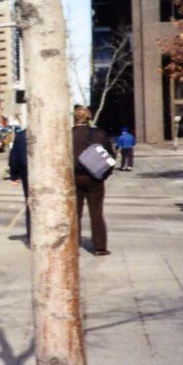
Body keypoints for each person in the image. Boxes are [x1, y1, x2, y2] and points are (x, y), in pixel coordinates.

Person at [72, 106, 114, 255]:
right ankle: (99, 247)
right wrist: (103, 175)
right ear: (89, 118)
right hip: (94, 178)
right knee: (96, 213)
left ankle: (73, 246)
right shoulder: (99, 134)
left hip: (74, 178)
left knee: (74, 213)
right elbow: (110, 157)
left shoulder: (68, 135)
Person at [8, 127, 29, 245]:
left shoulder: (21, 136)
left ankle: (32, 235)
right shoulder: (50, 131)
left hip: (27, 174)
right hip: (48, 174)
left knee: (31, 204)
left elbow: (14, 157)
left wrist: (14, 176)